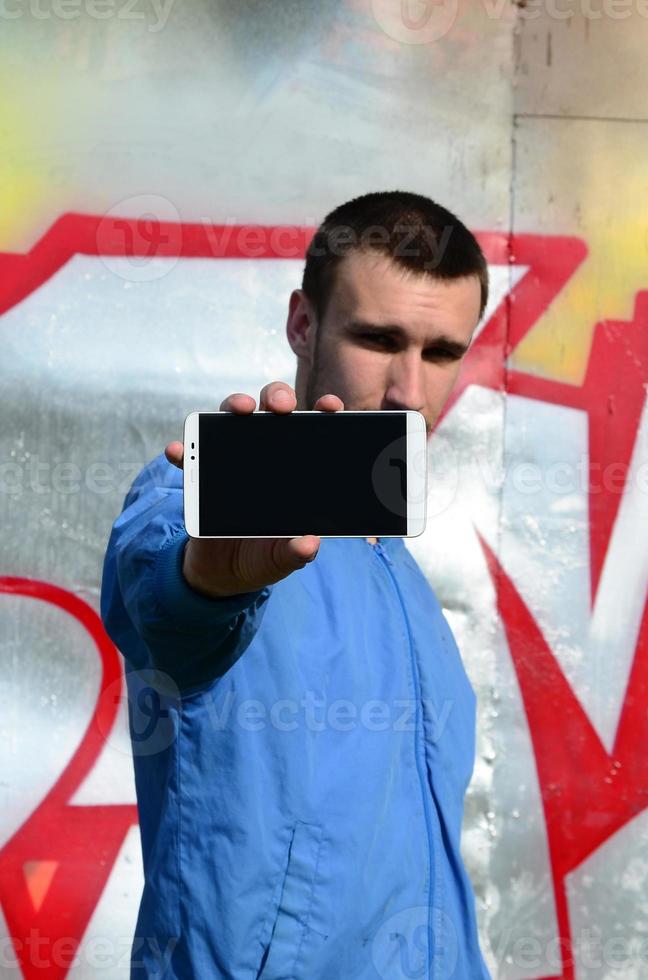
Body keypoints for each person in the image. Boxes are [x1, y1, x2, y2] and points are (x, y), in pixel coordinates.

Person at [100, 190, 491, 979]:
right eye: (379, 340)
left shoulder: (403, 577)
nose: (411, 391)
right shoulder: (201, 503)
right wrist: (206, 584)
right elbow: (166, 588)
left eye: (442, 352)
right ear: (302, 325)